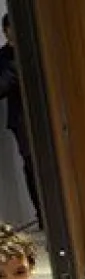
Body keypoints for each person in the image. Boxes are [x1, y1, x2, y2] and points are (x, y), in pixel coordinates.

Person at [0, 15, 41, 230]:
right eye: (11, 28)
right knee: (31, 166)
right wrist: (15, 69)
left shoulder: (33, 47)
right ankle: (41, 215)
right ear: (6, 31)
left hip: (43, 113)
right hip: (21, 120)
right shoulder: (3, 57)